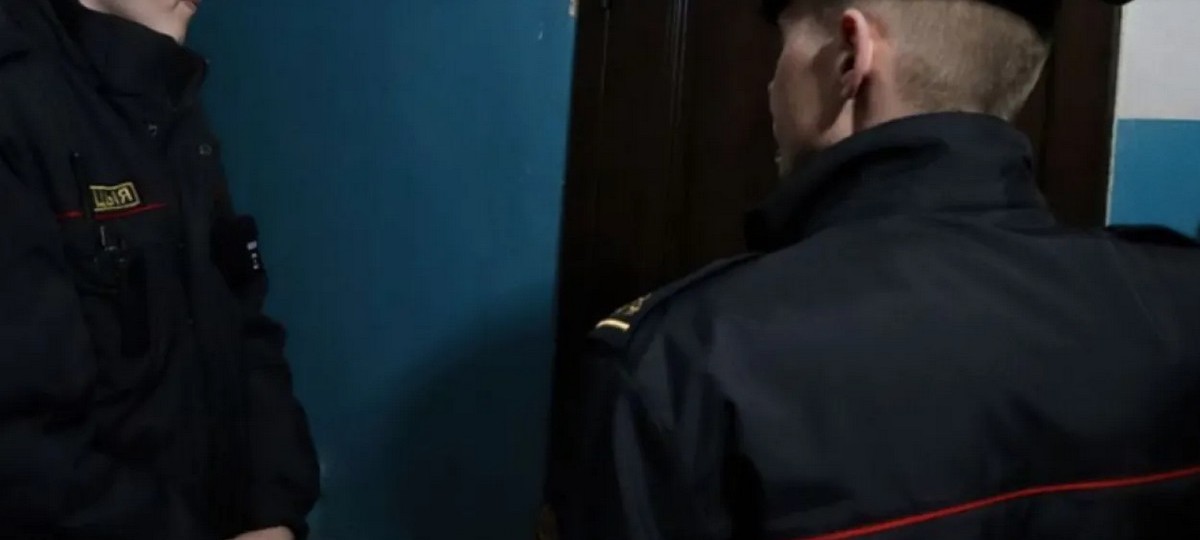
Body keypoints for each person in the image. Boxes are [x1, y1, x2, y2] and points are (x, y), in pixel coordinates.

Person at [551, 0, 1200, 538]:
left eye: (781, 49)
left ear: (850, 54)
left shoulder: (685, 361)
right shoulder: (1177, 301)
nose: (771, 86)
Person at [0, 0, 319, 538]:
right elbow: (21, 445)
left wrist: (275, 512)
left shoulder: (164, 83)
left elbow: (243, 322)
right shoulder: (17, 102)